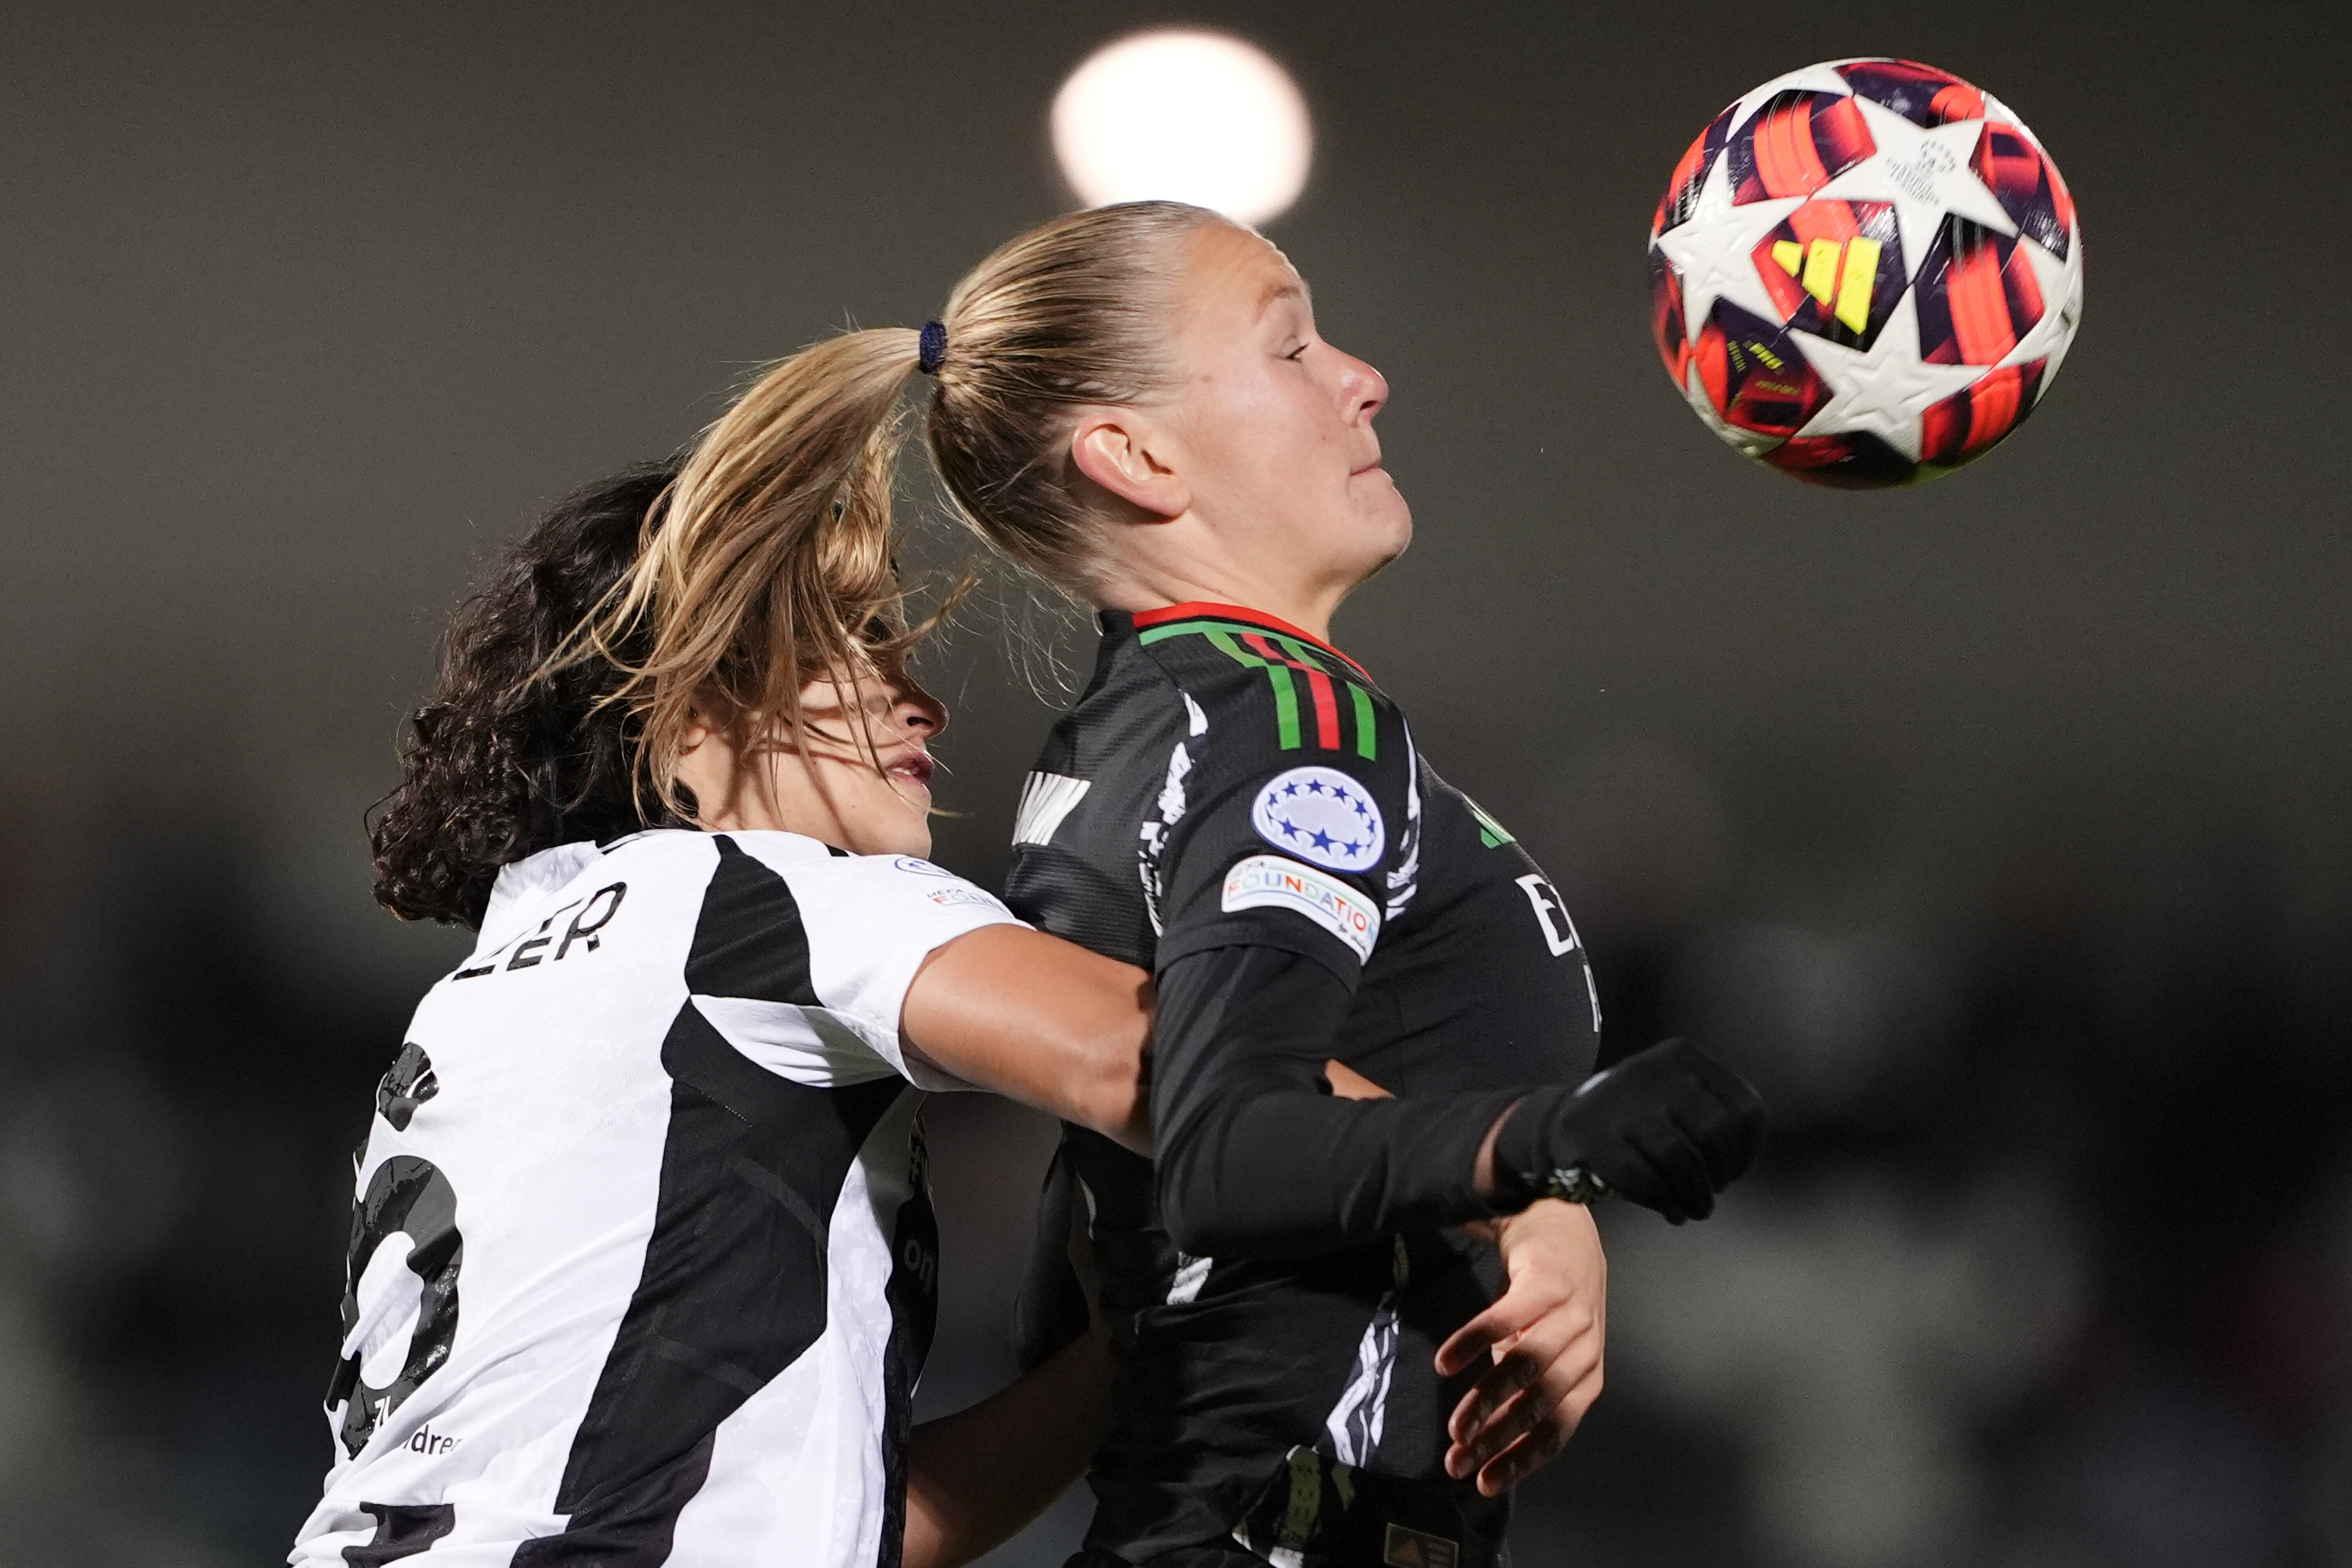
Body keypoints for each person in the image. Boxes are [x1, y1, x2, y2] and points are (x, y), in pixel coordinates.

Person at [651, 202, 1766, 1568]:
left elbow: (1109, 1204)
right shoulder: (1288, 722)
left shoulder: (1127, 740)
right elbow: (1226, 1142)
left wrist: (1530, 1196)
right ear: (1134, 454)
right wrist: (1549, 1149)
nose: (1364, 378)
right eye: (1293, 348)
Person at [294, 457, 1155, 1568]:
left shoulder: (475, 1002)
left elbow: (804, 1528)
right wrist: (1451, 1176)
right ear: (692, 709)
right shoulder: (758, 897)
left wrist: (1112, 1371)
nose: (921, 699)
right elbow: (1143, 1061)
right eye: (856, 644)